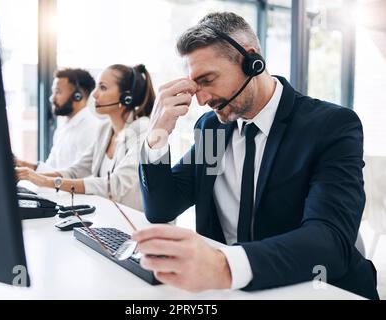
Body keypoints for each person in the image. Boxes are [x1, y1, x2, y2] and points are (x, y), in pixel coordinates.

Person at [135, 12, 379, 299]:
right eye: (195, 85)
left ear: (252, 62)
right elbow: (162, 208)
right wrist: (157, 135)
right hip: (233, 291)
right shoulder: (213, 130)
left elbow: (330, 241)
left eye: (208, 79)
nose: (200, 100)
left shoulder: (329, 127)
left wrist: (224, 265)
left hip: (317, 288)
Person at [16, 64, 155, 211]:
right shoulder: (105, 129)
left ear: (127, 98)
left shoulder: (142, 130)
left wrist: (44, 181)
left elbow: (114, 186)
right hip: (110, 218)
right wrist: (28, 175)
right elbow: (75, 172)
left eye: (103, 88)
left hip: (136, 224)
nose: (94, 94)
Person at [15, 68, 100, 172]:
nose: (52, 98)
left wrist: (24, 166)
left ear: (77, 96)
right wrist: (21, 164)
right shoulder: (64, 128)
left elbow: (78, 179)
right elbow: (50, 171)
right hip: (55, 188)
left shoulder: (91, 129)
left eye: (57, 92)